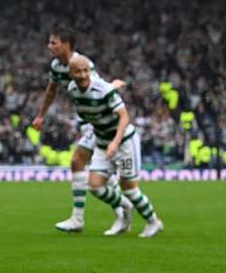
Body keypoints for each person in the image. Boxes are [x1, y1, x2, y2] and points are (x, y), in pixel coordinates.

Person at [31, 26, 123, 233]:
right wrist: (40, 115)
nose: (49, 46)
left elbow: (99, 88)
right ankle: (113, 211)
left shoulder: (83, 64)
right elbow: (51, 91)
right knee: (94, 169)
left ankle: (86, 217)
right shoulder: (56, 66)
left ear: (66, 44)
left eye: (53, 42)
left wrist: (113, 89)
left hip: (97, 121)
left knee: (77, 161)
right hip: (85, 121)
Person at [67, 55, 164, 238]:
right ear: (70, 73)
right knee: (95, 186)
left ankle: (153, 222)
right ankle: (124, 206)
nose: (83, 74)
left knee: (129, 188)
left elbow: (124, 116)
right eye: (78, 71)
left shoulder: (102, 89)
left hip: (124, 141)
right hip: (103, 141)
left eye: (86, 70)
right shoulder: (72, 90)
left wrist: (115, 142)